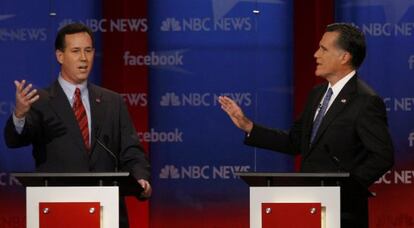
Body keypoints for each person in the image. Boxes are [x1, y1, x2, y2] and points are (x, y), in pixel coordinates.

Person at [219, 23, 394, 227]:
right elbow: (295, 141)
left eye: (324, 49)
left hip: (343, 214)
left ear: (344, 57)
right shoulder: (317, 94)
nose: (315, 54)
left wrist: (346, 188)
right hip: (309, 208)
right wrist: (249, 127)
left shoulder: (365, 101)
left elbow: (383, 156)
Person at [4, 23, 151, 227]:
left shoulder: (112, 101)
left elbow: (131, 150)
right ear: (60, 56)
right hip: (59, 212)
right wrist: (19, 114)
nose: (83, 58)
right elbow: (14, 140)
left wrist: (141, 178)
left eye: (88, 50)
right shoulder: (40, 102)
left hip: (107, 212)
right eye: (75, 51)